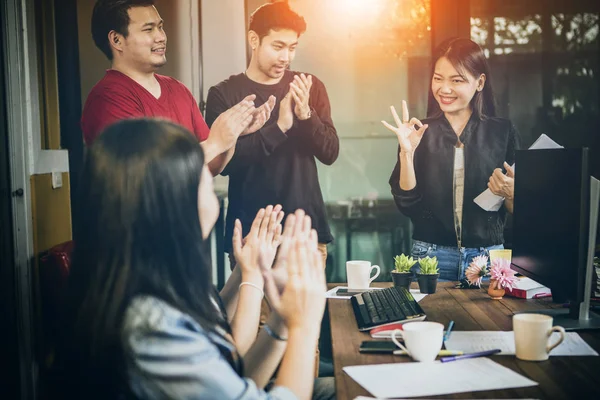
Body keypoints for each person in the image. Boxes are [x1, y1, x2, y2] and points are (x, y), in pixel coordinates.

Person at [52, 119, 334, 399]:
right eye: (204, 180)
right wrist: (305, 325)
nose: (212, 183)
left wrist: (283, 319)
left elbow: (237, 380)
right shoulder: (151, 326)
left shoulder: (154, 287)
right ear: (173, 205)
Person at [205, 1, 339, 267]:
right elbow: (225, 164)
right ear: (254, 40)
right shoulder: (224, 94)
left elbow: (330, 153)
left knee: (309, 310)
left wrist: (305, 115)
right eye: (277, 47)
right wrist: (279, 128)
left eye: (292, 48)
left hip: (305, 232)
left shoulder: (308, 87)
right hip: (250, 235)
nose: (286, 57)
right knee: (251, 310)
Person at [81, 0, 275, 175]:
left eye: (160, 27)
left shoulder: (178, 90)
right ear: (116, 40)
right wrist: (215, 143)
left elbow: (209, 166)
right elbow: (144, 176)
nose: (161, 37)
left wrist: (233, 133)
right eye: (148, 29)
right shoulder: (107, 99)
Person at [384, 38, 519, 283]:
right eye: (438, 78)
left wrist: (511, 193)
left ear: (479, 82)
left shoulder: (502, 132)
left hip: (489, 258)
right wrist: (407, 153)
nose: (444, 89)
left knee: (490, 322)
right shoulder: (418, 132)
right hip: (430, 256)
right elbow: (408, 206)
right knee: (428, 322)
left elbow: (520, 211)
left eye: (456, 80)